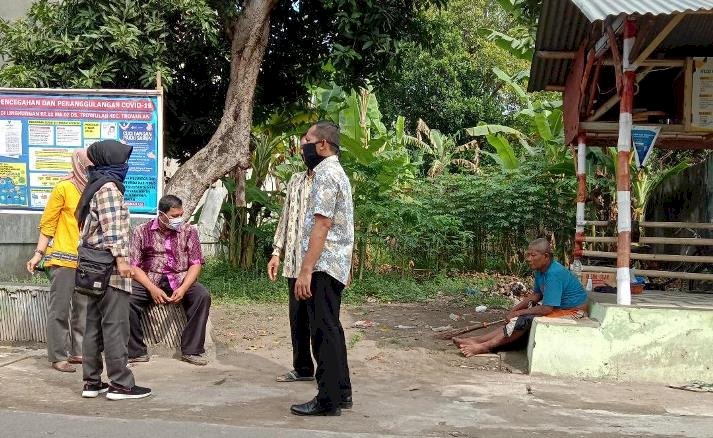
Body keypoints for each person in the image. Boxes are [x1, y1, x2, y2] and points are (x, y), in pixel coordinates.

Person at [77, 139, 151, 400]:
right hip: (110, 269)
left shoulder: (94, 185)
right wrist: (123, 261)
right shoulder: (109, 188)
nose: (126, 165)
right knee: (115, 325)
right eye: (122, 160)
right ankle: (120, 383)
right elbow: (114, 230)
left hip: (93, 266)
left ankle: (92, 382)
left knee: (93, 325)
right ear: (111, 161)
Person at [290, 121, 353, 417]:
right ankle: (341, 392)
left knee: (322, 331)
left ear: (322, 144)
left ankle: (327, 400)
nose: (303, 146)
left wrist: (306, 270)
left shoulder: (326, 174)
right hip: (333, 263)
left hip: (324, 264)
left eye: (307, 140)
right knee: (332, 328)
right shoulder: (337, 172)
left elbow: (323, 223)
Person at [454, 238, 588, 357]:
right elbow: (536, 295)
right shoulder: (541, 271)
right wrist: (514, 310)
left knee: (522, 321)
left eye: (533, 255)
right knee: (517, 318)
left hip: (573, 312)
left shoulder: (554, 273)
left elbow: (546, 309)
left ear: (546, 256)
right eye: (528, 255)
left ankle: (483, 346)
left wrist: (518, 313)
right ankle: (478, 340)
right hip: (558, 309)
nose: (528, 259)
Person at [27, 149, 91, 373]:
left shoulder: (95, 188)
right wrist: (38, 253)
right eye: (87, 163)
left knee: (83, 309)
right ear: (78, 164)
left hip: (86, 260)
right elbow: (48, 223)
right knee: (60, 309)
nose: (90, 167)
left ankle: (78, 352)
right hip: (63, 259)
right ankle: (57, 356)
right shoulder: (63, 187)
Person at [128, 194, 211, 366]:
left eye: (181, 215)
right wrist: (152, 288)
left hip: (180, 278)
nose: (178, 219)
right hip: (150, 278)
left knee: (202, 296)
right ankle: (136, 351)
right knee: (125, 298)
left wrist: (183, 288)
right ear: (162, 214)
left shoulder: (189, 231)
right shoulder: (141, 231)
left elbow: (195, 263)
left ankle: (191, 350)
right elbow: (134, 266)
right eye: (174, 216)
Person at [268, 149, 315, 382]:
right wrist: (277, 252)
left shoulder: (329, 179)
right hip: (294, 264)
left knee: (320, 321)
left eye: (309, 142)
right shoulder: (295, 180)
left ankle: (327, 371)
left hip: (319, 266)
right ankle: (303, 368)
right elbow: (285, 217)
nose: (305, 149)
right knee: (297, 319)